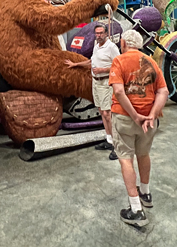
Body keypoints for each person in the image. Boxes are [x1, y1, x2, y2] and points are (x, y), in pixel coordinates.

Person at [109, 29, 169, 227]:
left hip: (125, 119)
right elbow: (163, 90)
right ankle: (145, 192)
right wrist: (152, 114)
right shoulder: (151, 62)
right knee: (143, 155)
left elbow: (118, 90)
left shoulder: (119, 61)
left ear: (124, 43)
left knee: (125, 158)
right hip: (149, 123)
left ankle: (135, 209)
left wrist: (135, 115)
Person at [65, 23, 120, 159]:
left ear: (106, 33)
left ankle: (118, 146)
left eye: (101, 33)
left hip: (105, 82)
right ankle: (109, 140)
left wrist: (102, 70)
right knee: (102, 112)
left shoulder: (111, 47)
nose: (99, 35)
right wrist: (75, 64)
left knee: (108, 114)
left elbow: (118, 65)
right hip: (96, 82)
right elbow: (92, 61)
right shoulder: (96, 46)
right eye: (97, 33)